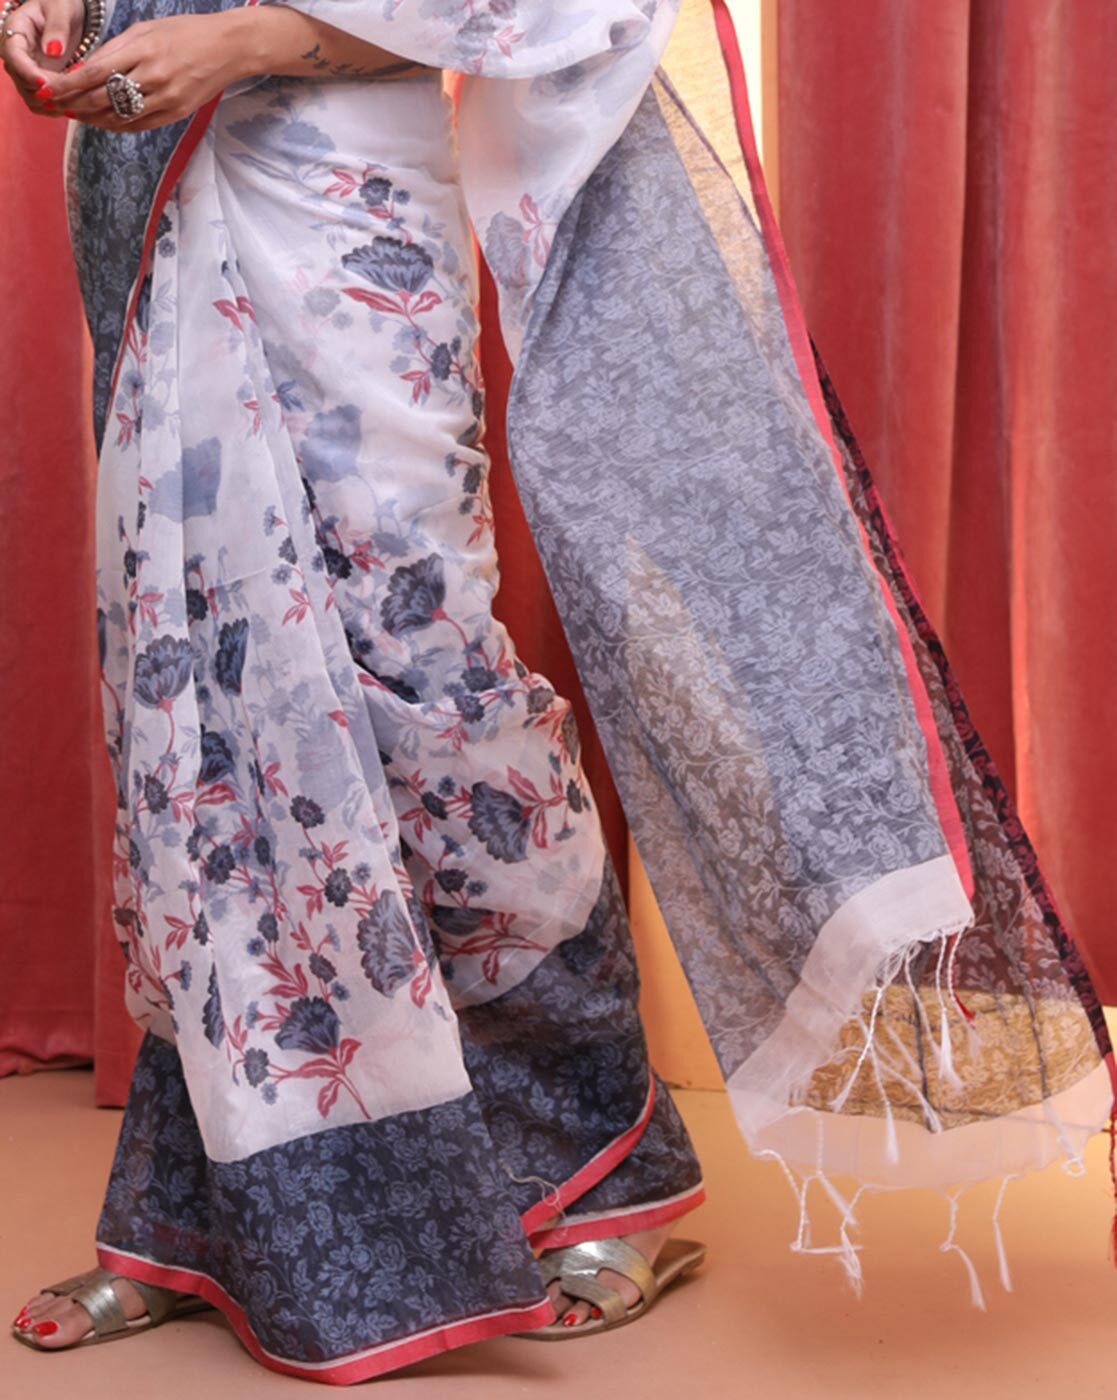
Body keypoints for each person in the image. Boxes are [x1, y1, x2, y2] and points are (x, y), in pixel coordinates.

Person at [4, 0, 1113, 1384]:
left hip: (338, 205)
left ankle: (600, 1175)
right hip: (150, 196)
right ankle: (199, 1215)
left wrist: (243, 42)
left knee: (434, 695)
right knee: (204, 708)